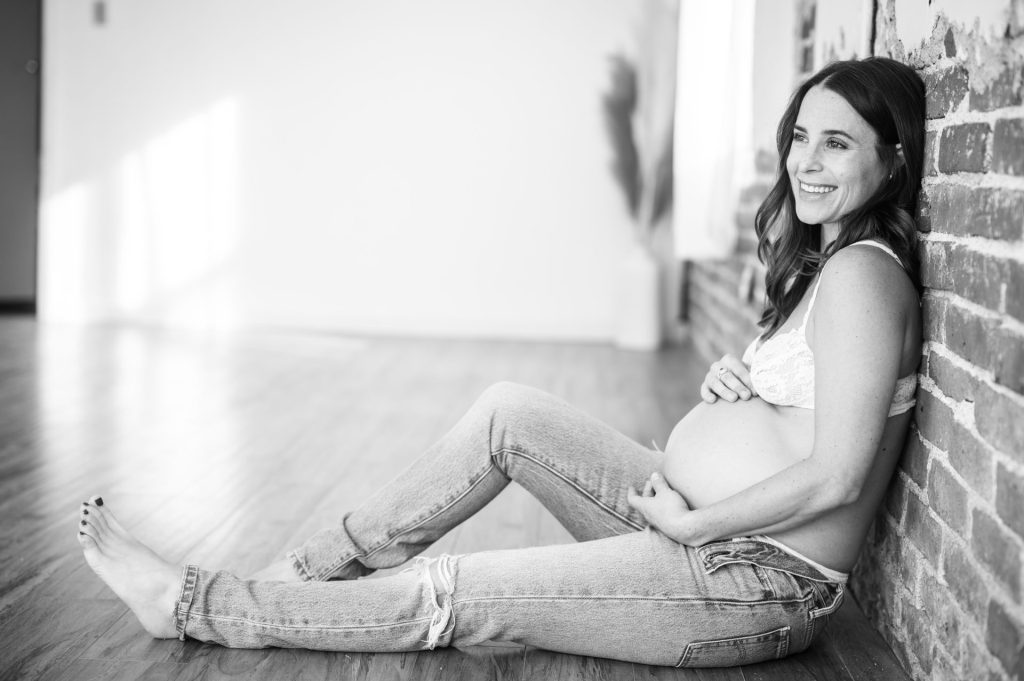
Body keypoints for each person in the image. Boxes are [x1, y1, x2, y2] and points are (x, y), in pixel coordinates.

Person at [76, 56, 925, 668]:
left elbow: (837, 476)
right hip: (694, 521)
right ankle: (304, 574)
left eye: (838, 145)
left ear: (891, 158)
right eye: (801, 138)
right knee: (509, 409)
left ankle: (198, 604)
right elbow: (806, 412)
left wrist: (693, 524)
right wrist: (731, 392)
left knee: (460, 590)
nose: (807, 163)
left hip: (748, 578)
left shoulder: (861, 275)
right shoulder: (828, 267)